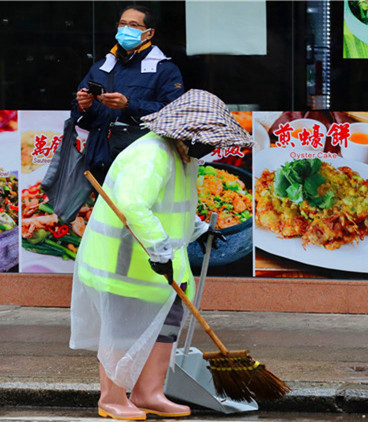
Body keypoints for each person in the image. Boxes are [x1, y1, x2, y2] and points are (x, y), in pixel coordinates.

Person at [69, 89, 252, 421]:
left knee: (166, 326)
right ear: (187, 133)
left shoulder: (183, 156)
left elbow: (171, 205)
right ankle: (112, 398)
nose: (212, 148)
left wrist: (197, 227)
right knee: (122, 330)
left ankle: (148, 393)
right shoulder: (151, 155)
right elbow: (132, 205)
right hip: (124, 262)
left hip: (159, 265)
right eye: (208, 140)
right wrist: (159, 248)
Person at [72, 5, 185, 167]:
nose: (126, 29)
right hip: (99, 157)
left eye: (133, 25)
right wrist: (84, 106)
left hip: (144, 159)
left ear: (149, 33)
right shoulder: (101, 67)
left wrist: (129, 105)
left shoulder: (165, 69)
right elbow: (79, 117)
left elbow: (174, 114)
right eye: (122, 24)